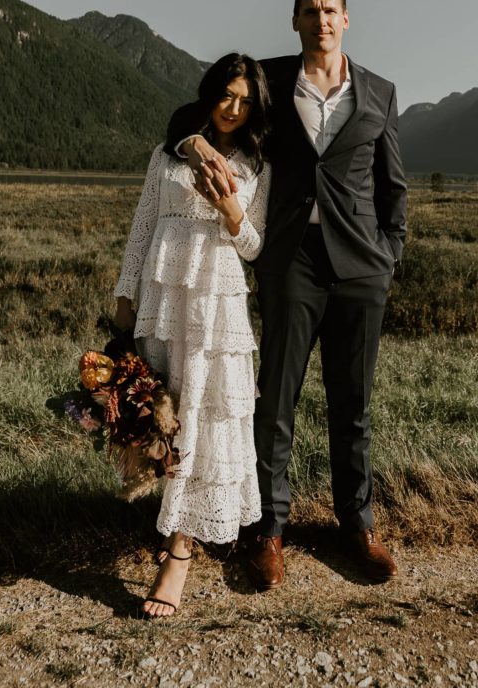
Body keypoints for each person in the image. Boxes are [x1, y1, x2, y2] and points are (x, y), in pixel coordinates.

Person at [169, 0, 407, 590]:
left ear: (346, 20)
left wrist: (388, 255)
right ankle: (269, 532)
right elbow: (188, 115)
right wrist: (197, 145)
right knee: (274, 402)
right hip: (291, 263)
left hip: (360, 269)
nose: (320, 20)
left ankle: (358, 527)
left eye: (330, 11)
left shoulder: (380, 92)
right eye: (309, 11)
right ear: (295, 20)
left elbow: (392, 188)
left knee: (352, 406)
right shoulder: (268, 81)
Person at [114, 53, 271, 617]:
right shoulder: (170, 150)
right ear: (209, 94)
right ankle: (174, 519)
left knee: (206, 418)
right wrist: (123, 299)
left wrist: (231, 209)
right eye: (226, 95)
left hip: (216, 299)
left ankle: (178, 554)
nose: (233, 109)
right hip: (164, 294)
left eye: (245, 102)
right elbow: (141, 227)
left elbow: (256, 246)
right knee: (166, 412)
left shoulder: (257, 163)